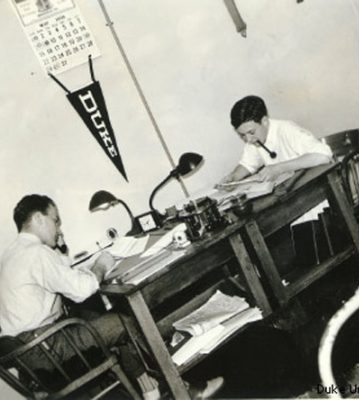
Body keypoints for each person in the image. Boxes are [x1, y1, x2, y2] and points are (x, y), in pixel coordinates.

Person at [0, 194, 223, 399]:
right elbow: (81, 289)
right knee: (123, 322)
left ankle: (151, 390)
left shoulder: (11, 254)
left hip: (28, 357)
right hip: (47, 351)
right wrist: (101, 265)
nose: (59, 228)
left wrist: (69, 258)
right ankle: (182, 390)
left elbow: (61, 280)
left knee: (97, 315)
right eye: (55, 220)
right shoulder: (36, 253)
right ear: (39, 218)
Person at [218, 95, 332, 186]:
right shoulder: (254, 140)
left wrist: (278, 168)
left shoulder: (287, 129)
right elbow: (248, 164)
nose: (248, 139)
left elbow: (323, 155)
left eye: (251, 132)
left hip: (315, 189)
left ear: (264, 121)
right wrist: (233, 178)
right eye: (242, 135)